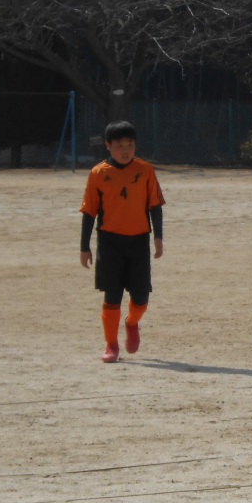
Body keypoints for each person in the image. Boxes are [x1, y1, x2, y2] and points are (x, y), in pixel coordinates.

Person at [79, 121, 165, 363]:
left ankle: (132, 323)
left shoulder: (145, 170)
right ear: (108, 146)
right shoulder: (98, 173)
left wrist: (158, 237)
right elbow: (89, 212)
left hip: (139, 242)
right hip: (110, 243)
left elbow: (155, 206)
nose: (125, 150)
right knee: (112, 295)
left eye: (130, 145)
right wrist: (84, 247)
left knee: (141, 299)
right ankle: (111, 345)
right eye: (119, 145)